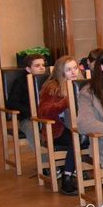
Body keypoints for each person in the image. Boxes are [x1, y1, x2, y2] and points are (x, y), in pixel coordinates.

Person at [36, 55, 81, 195]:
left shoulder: (82, 85)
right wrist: (66, 101)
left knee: (89, 135)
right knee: (77, 138)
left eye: (75, 68)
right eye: (68, 69)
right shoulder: (52, 87)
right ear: (61, 72)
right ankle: (67, 177)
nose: (73, 72)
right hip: (57, 129)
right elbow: (44, 111)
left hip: (78, 125)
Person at [6, 52, 47, 147]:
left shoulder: (48, 80)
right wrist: (30, 112)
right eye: (37, 66)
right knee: (33, 132)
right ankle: (42, 155)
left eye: (43, 65)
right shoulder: (20, 82)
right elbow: (11, 103)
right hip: (28, 118)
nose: (42, 68)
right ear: (28, 69)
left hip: (48, 116)